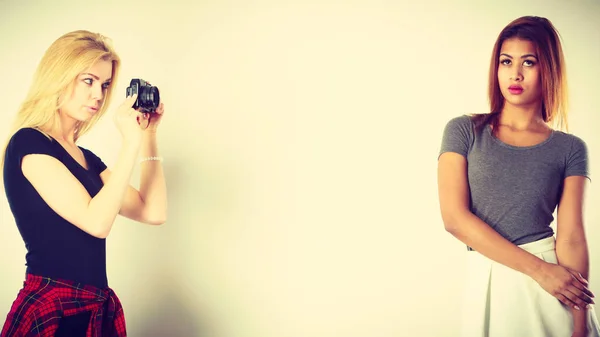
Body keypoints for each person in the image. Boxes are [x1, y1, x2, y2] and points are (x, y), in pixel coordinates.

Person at [437, 16, 600, 337]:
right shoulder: (464, 130)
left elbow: (571, 237)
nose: (515, 73)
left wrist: (581, 325)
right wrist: (540, 271)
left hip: (554, 287)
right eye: (506, 61)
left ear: (549, 69)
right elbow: (454, 219)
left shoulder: (570, 148)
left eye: (529, 62)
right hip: (495, 275)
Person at [0, 30, 167, 336]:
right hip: (54, 307)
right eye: (88, 81)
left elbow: (152, 212)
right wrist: (129, 142)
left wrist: (148, 137)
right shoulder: (28, 142)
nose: (99, 96)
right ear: (59, 77)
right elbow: (96, 222)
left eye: (104, 85)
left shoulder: (86, 158)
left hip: (93, 307)